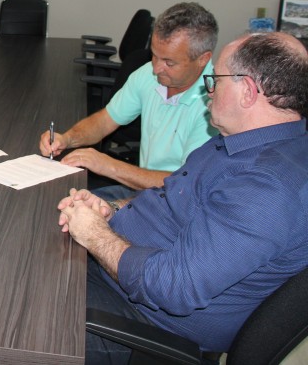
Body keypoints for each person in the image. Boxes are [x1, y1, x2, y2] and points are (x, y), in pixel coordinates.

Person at [58, 32, 308, 364]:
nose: (210, 90)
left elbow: (174, 287)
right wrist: (112, 209)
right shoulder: (237, 141)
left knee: (9, 318)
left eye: (215, 81)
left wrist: (95, 234)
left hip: (145, 325)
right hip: (122, 273)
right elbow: (169, 198)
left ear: (247, 91)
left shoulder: (268, 190)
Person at [40, 2, 218, 199]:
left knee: (75, 214)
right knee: (57, 202)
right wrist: (66, 139)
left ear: (203, 59)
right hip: (143, 192)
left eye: (169, 62)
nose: (156, 68)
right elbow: (105, 121)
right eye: (154, 55)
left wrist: (109, 166)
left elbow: (185, 185)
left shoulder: (216, 106)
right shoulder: (148, 75)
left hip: (176, 206)